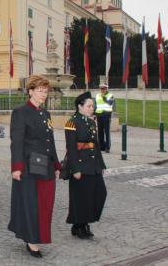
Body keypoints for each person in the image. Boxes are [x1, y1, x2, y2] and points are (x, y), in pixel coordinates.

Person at [8, 75, 60, 258]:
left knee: (45, 203)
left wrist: (56, 164)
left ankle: (37, 234)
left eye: (45, 91)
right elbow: (17, 141)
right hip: (29, 166)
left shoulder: (45, 114)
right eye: (40, 90)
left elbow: (50, 141)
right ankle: (31, 240)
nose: (43, 94)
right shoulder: (21, 112)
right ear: (30, 91)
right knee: (31, 204)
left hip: (45, 166)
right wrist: (16, 167)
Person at [65, 92, 107, 240]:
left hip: (93, 165)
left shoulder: (90, 122)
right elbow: (71, 148)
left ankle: (84, 222)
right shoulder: (72, 122)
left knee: (100, 193)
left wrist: (101, 165)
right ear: (80, 106)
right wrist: (75, 169)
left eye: (92, 106)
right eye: (89, 106)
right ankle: (80, 225)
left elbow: (96, 146)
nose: (91, 108)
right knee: (82, 198)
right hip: (81, 166)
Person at [94, 83, 114, 153]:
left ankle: (107, 147)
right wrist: (94, 114)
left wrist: (104, 98)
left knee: (107, 131)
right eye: (101, 88)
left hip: (106, 115)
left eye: (104, 88)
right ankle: (101, 146)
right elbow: (96, 106)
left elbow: (110, 103)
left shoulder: (110, 95)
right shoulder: (97, 95)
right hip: (99, 115)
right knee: (100, 132)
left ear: (107, 89)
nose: (102, 90)